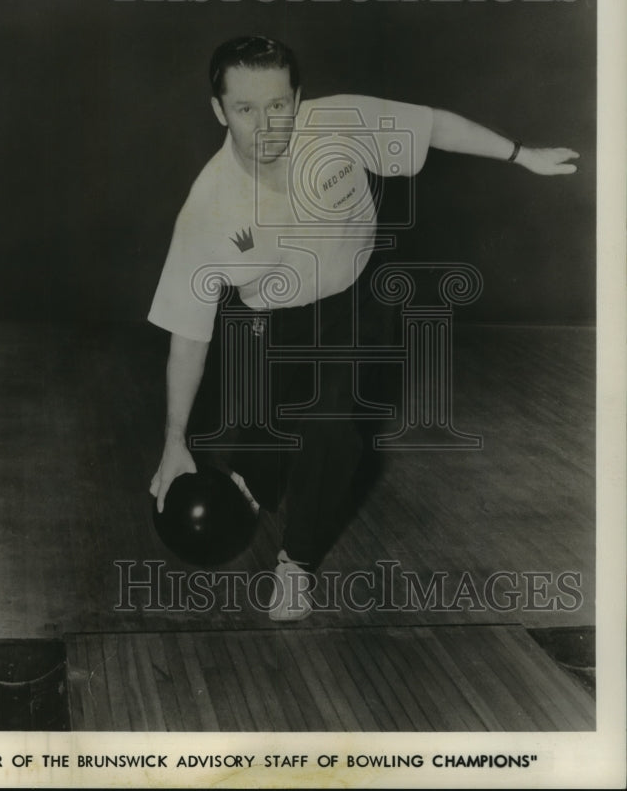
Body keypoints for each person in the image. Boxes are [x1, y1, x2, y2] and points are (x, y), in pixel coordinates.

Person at [147, 35, 579, 621]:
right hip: (269, 314)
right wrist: (174, 442)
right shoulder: (206, 212)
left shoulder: (342, 122)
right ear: (219, 110)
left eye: (278, 105)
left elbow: (435, 127)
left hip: (356, 294)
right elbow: (189, 337)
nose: (267, 123)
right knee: (259, 442)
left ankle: (295, 566)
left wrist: (520, 153)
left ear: (298, 99)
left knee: (332, 424)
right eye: (246, 109)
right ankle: (253, 478)